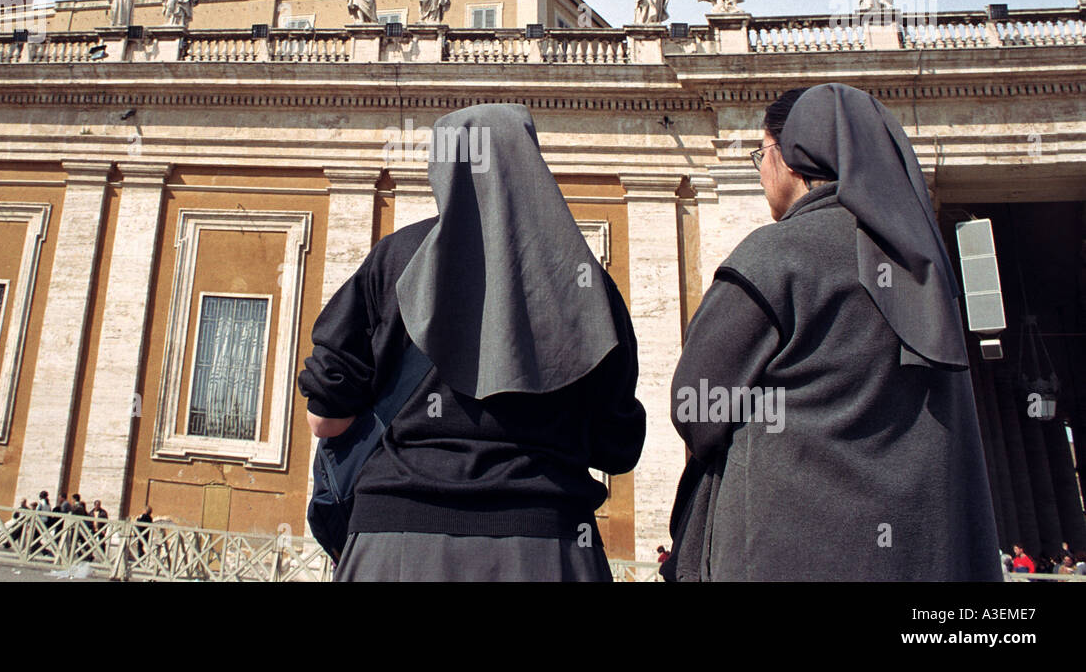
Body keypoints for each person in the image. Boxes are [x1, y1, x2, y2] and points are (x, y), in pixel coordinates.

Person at [664, 84, 1002, 581]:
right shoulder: (928, 269)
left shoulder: (774, 256)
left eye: (763, 153)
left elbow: (695, 405)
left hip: (783, 549)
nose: (761, 169)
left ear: (794, 157)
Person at [299, 103, 646, 581]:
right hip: (549, 547)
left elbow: (326, 419)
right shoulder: (588, 281)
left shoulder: (395, 259)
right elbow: (618, 448)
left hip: (395, 545)